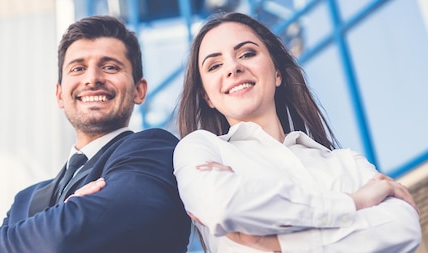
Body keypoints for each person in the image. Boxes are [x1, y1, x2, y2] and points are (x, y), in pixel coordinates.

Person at [173, 12, 421, 252]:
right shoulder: (199, 149)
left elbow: (402, 228)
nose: (233, 68)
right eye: (214, 65)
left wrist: (281, 244)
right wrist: (353, 202)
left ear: (277, 73)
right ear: (207, 97)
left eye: (247, 53)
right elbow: (225, 207)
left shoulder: (345, 162)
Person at [0, 15, 191, 253]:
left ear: (139, 91)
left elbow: (64, 239)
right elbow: (67, 233)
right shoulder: (25, 200)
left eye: (110, 67)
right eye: (78, 68)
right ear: (60, 94)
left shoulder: (156, 150)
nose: (92, 79)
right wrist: (66, 215)